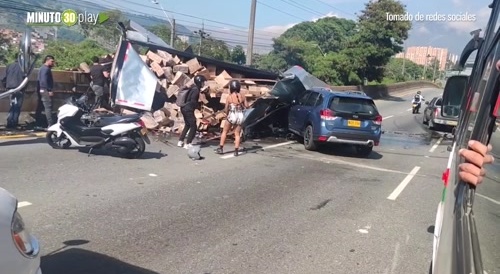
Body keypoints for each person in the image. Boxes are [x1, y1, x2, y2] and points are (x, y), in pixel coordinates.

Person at [216, 80, 249, 156]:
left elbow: (226, 108)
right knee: (237, 134)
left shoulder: (229, 97)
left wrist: (226, 114)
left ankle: (221, 148)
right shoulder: (243, 96)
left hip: (232, 116)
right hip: (240, 116)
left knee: (225, 131)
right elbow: (247, 106)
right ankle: (236, 151)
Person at [177, 75, 206, 149]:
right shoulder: (196, 90)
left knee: (187, 124)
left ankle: (180, 141)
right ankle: (188, 143)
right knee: (193, 126)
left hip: (184, 108)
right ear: (199, 82)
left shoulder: (193, 88)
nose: (203, 84)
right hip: (188, 109)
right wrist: (198, 106)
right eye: (203, 82)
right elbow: (193, 100)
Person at [1, 53, 25, 129]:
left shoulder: (9, 66)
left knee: (12, 104)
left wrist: (6, 86)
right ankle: (14, 122)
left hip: (10, 89)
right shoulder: (23, 67)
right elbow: (26, 79)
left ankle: (9, 121)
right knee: (17, 106)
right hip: (19, 88)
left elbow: (3, 78)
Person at [35, 55, 55, 128]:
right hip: (45, 90)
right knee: (48, 107)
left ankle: (38, 123)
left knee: (40, 107)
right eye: (52, 61)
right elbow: (43, 80)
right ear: (47, 60)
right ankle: (50, 124)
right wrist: (49, 90)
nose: (53, 63)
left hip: (41, 90)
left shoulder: (42, 68)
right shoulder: (45, 69)